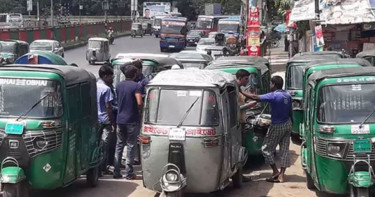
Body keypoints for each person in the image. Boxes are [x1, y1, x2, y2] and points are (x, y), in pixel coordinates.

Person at [240, 76, 293, 183]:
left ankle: (275, 172)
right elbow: (290, 111)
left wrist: (241, 91)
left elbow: (255, 97)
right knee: (284, 150)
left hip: (277, 125)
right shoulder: (287, 95)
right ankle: (282, 175)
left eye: (270, 83)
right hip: (288, 123)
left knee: (266, 149)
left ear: (273, 84)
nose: (269, 85)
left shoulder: (273, 96)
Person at [114, 64, 143, 179]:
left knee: (119, 145)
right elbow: (139, 102)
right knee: (131, 145)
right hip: (132, 120)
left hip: (120, 119)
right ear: (135, 74)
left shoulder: (119, 85)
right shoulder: (137, 86)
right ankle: (129, 173)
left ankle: (116, 172)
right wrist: (140, 111)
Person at [236, 69, 257, 183]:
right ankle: (239, 175)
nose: (247, 81)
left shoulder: (239, 89)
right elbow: (236, 109)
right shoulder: (235, 89)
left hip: (242, 122)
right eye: (246, 79)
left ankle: (240, 174)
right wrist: (249, 105)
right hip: (237, 124)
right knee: (240, 150)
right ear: (240, 78)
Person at [96, 65, 116, 175]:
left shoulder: (94, 86)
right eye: (111, 76)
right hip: (105, 120)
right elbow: (109, 107)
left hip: (96, 120)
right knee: (104, 145)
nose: (112, 79)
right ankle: (102, 168)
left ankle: (97, 167)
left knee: (96, 144)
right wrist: (112, 122)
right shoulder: (106, 89)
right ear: (105, 76)